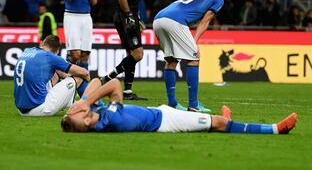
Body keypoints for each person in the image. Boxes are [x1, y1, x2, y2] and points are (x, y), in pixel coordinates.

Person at [61, 78, 297, 134]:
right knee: (221, 123)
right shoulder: (108, 119)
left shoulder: (97, 113)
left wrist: (83, 103)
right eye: (81, 119)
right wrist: (85, 102)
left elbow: (93, 81)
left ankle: (217, 118)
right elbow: (113, 84)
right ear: (84, 125)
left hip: (160, 111)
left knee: (213, 119)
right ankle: (276, 129)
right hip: (165, 122)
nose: (84, 115)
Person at [152, 0, 225, 113]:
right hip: (175, 21)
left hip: (158, 19)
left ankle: (172, 103)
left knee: (171, 61)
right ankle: (193, 104)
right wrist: (194, 42)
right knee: (193, 59)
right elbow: (204, 22)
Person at [100, 0, 148, 100]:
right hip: (124, 16)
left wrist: (136, 16)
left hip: (131, 14)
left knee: (132, 53)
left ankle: (127, 91)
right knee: (138, 54)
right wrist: (128, 15)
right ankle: (107, 79)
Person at [13, 35, 90, 116]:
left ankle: (70, 101)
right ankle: (92, 106)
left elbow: (58, 72)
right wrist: (88, 81)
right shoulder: (50, 57)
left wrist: (66, 77)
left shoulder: (27, 51)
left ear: (41, 43)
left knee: (55, 73)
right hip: (39, 109)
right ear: (56, 52)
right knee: (78, 79)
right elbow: (85, 73)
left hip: (21, 111)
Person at [60, 0, 98, 98]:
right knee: (75, 54)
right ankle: (65, 83)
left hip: (86, 17)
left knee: (84, 55)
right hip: (71, 16)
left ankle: (83, 91)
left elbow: (94, 1)